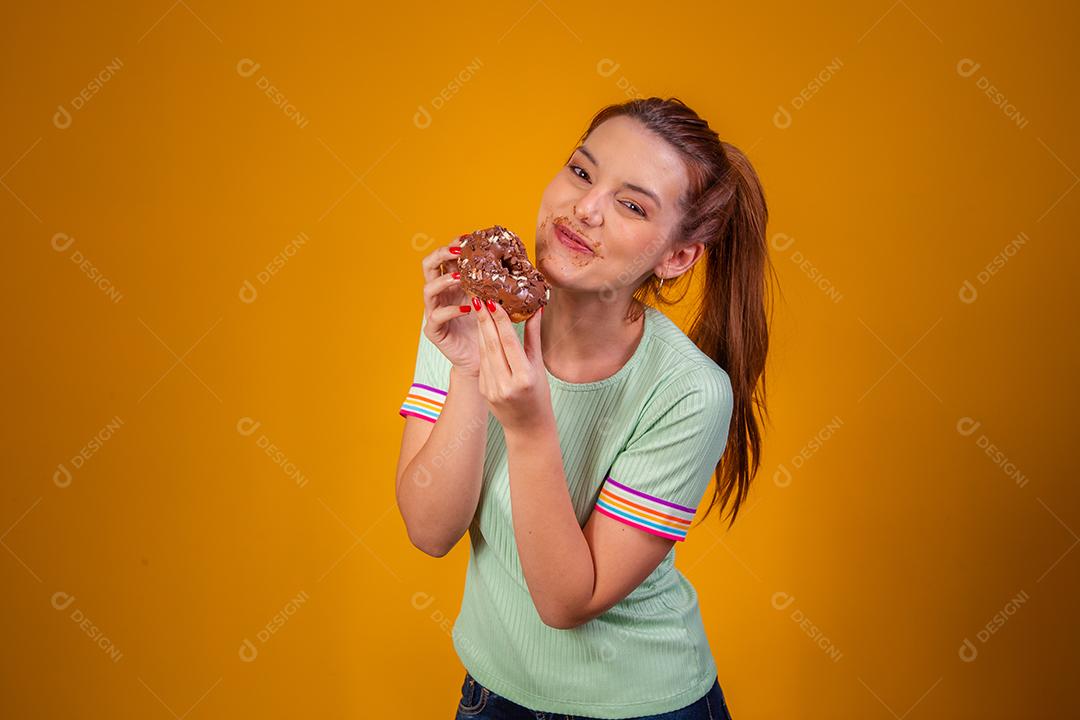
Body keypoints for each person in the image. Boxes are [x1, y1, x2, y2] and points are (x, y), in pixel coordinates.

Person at [395, 96, 773, 719]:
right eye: (580, 170)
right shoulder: (468, 314)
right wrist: (468, 372)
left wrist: (528, 426)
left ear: (677, 256)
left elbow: (568, 603)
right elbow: (429, 531)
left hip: (641, 705)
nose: (585, 208)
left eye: (631, 205)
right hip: (493, 696)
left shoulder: (687, 391)